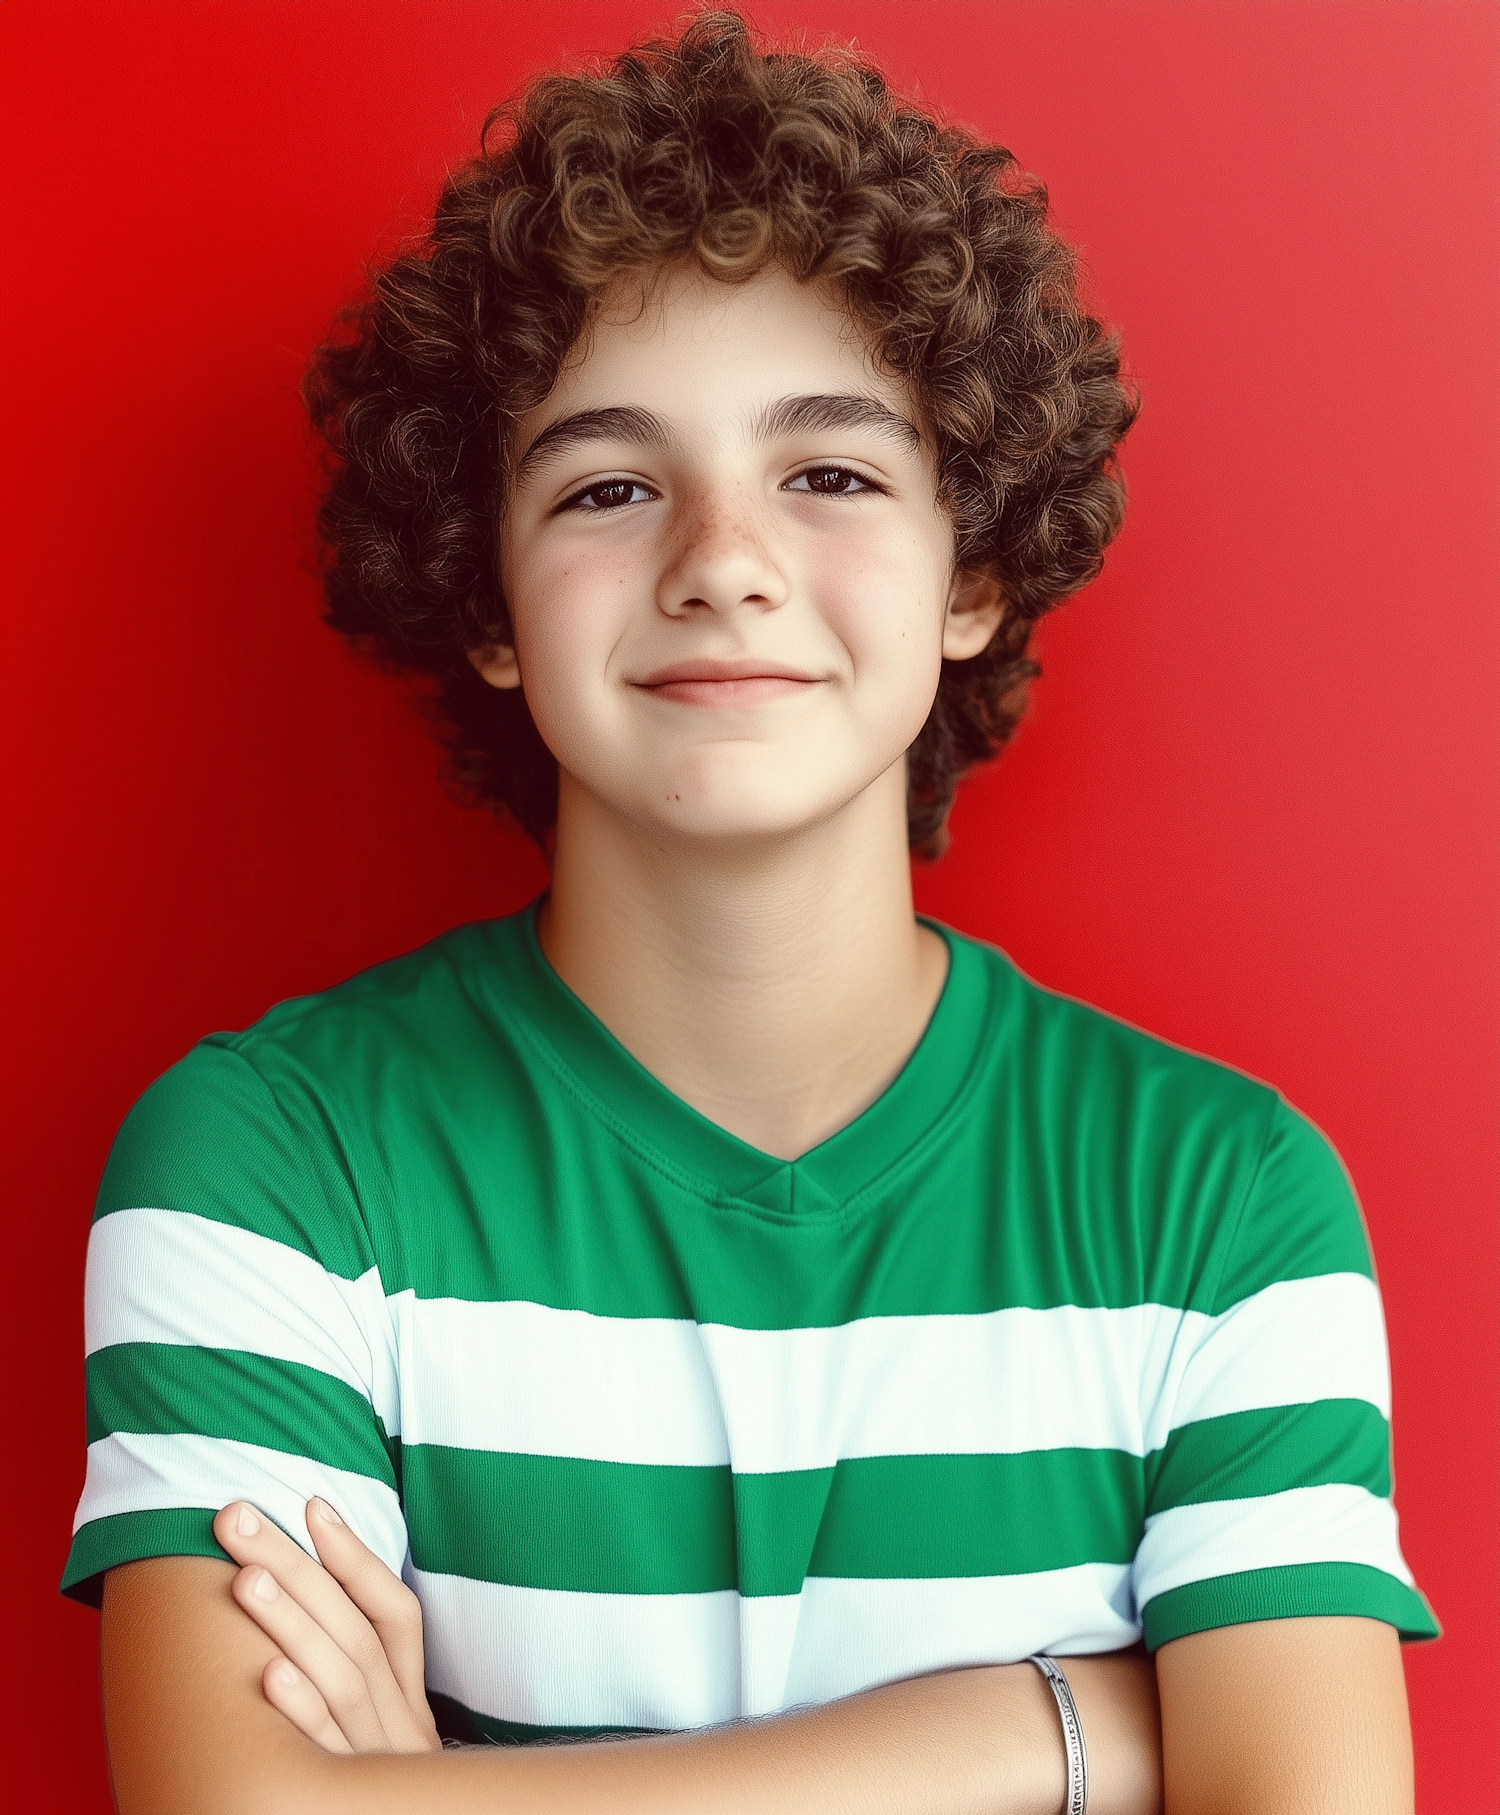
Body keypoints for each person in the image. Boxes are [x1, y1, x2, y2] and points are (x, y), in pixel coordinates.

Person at [66, 12, 1436, 1813]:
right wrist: (1048, 1724)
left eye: (833, 473)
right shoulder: (274, 1164)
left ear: (980, 570)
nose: (723, 558)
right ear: (487, 599)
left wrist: (430, 1798)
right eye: (613, 486)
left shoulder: (1216, 1198)